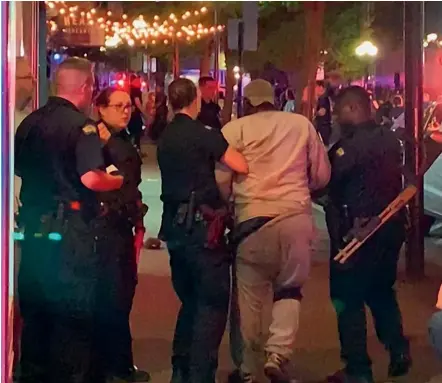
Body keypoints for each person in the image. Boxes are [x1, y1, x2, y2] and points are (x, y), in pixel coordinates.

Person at [15, 57, 124, 383]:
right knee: (72, 320)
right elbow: (92, 178)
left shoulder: (29, 123)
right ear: (86, 87)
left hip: (33, 227)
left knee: (36, 317)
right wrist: (115, 181)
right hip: (70, 233)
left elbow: (18, 168)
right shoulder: (82, 126)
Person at [215, 79, 331, 383]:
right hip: (295, 218)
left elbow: (221, 179)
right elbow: (320, 174)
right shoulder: (301, 125)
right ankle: (278, 353)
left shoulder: (234, 130)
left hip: (252, 222)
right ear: (274, 99)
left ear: (247, 102)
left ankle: (249, 369)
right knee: (289, 289)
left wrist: (229, 201)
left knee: (249, 299)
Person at [157, 78, 248, 383]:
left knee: (190, 301)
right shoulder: (203, 134)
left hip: (174, 229)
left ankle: (180, 368)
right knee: (210, 304)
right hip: (203, 230)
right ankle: (199, 374)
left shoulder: (166, 136)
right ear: (195, 100)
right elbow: (240, 164)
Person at [324, 86, 411, 383]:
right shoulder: (389, 138)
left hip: (357, 234)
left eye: (339, 110)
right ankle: (398, 348)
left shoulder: (348, 147)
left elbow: (330, 185)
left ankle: (357, 368)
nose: (335, 116)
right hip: (390, 227)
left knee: (346, 299)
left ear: (352, 109)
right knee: (381, 291)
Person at [94, 88, 151, 383]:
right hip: (111, 227)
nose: (125, 111)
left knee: (116, 298)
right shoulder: (105, 142)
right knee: (116, 297)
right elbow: (121, 183)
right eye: (118, 106)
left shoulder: (116, 139)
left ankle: (116, 365)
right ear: (100, 108)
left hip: (118, 225)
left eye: (128, 106)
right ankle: (116, 368)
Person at [315, 80, 333, 146]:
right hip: (325, 126)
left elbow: (322, 112)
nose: (315, 89)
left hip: (323, 126)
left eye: (316, 87)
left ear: (321, 88)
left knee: (323, 146)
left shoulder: (323, 99)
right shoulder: (325, 98)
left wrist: (314, 114)